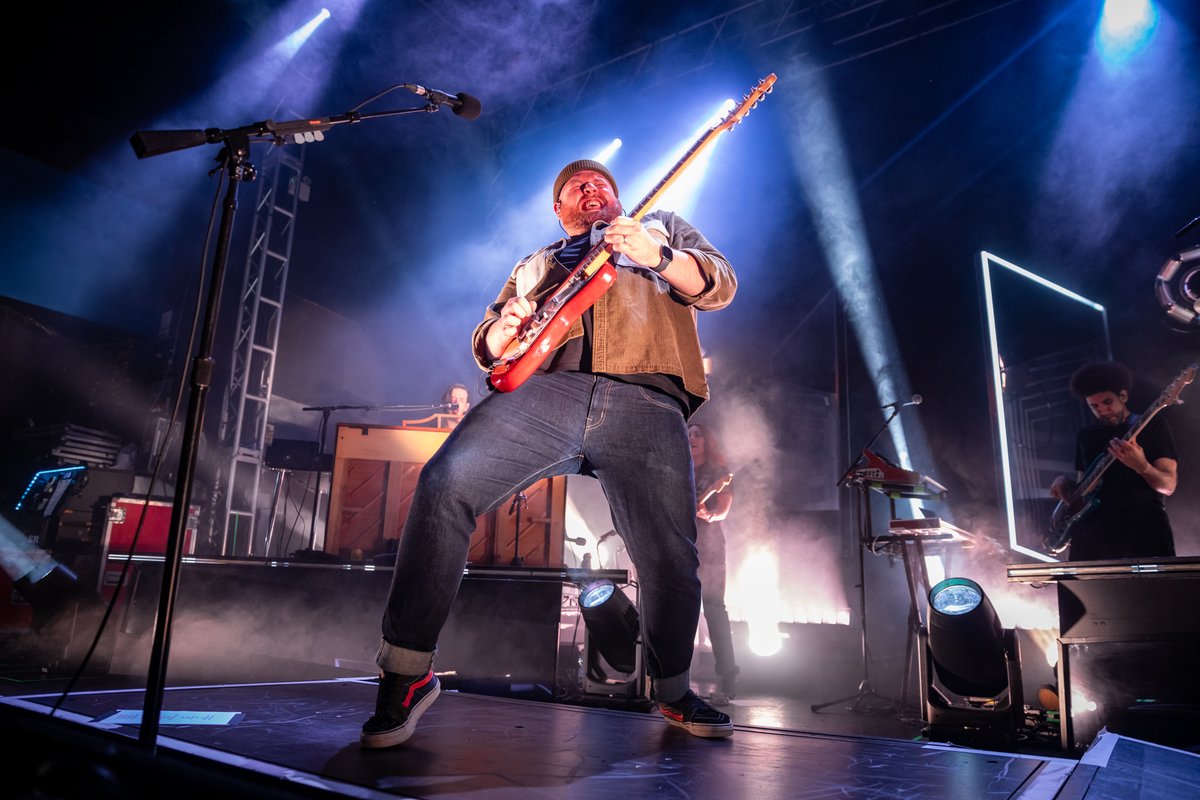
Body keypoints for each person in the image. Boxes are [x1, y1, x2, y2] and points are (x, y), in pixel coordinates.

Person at [360, 158, 738, 747]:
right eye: (577, 188)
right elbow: (488, 341)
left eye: (603, 184)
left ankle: (674, 690)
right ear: (559, 210)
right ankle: (406, 674)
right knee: (444, 483)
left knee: (670, 554)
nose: (593, 190)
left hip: (649, 396)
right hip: (547, 393)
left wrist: (657, 255)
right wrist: (499, 334)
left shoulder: (658, 225)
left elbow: (719, 284)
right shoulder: (536, 263)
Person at [1049, 361, 1178, 561]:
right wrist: (1064, 483)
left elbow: (1168, 485)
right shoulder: (1086, 436)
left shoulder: (1153, 426)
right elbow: (1083, 489)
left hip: (1142, 531)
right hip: (1092, 537)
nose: (1102, 410)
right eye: (1094, 406)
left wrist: (1142, 466)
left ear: (1123, 396)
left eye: (1107, 402)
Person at [688, 422, 739, 705]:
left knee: (715, 611)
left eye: (697, 434)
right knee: (682, 613)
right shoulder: (679, 468)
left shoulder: (719, 473)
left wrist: (709, 513)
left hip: (709, 549)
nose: (692, 438)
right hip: (682, 547)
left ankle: (728, 680)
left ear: (707, 440)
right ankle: (676, 682)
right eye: (688, 433)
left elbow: (721, 512)